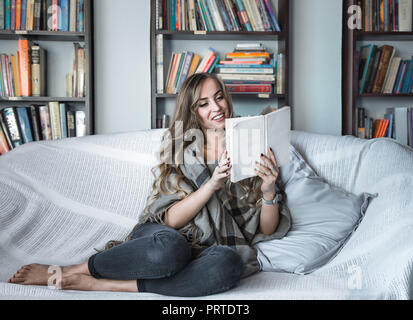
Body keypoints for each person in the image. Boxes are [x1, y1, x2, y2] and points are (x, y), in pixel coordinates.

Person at [8, 73, 291, 297]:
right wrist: (212, 184)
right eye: (204, 104)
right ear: (193, 111)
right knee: (169, 250)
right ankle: (76, 268)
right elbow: (168, 219)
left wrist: (268, 191)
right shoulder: (182, 146)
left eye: (219, 98)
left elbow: (265, 229)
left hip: (211, 249)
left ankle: (106, 285)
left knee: (229, 265)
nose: (216, 108)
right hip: (165, 235)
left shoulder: (250, 141)